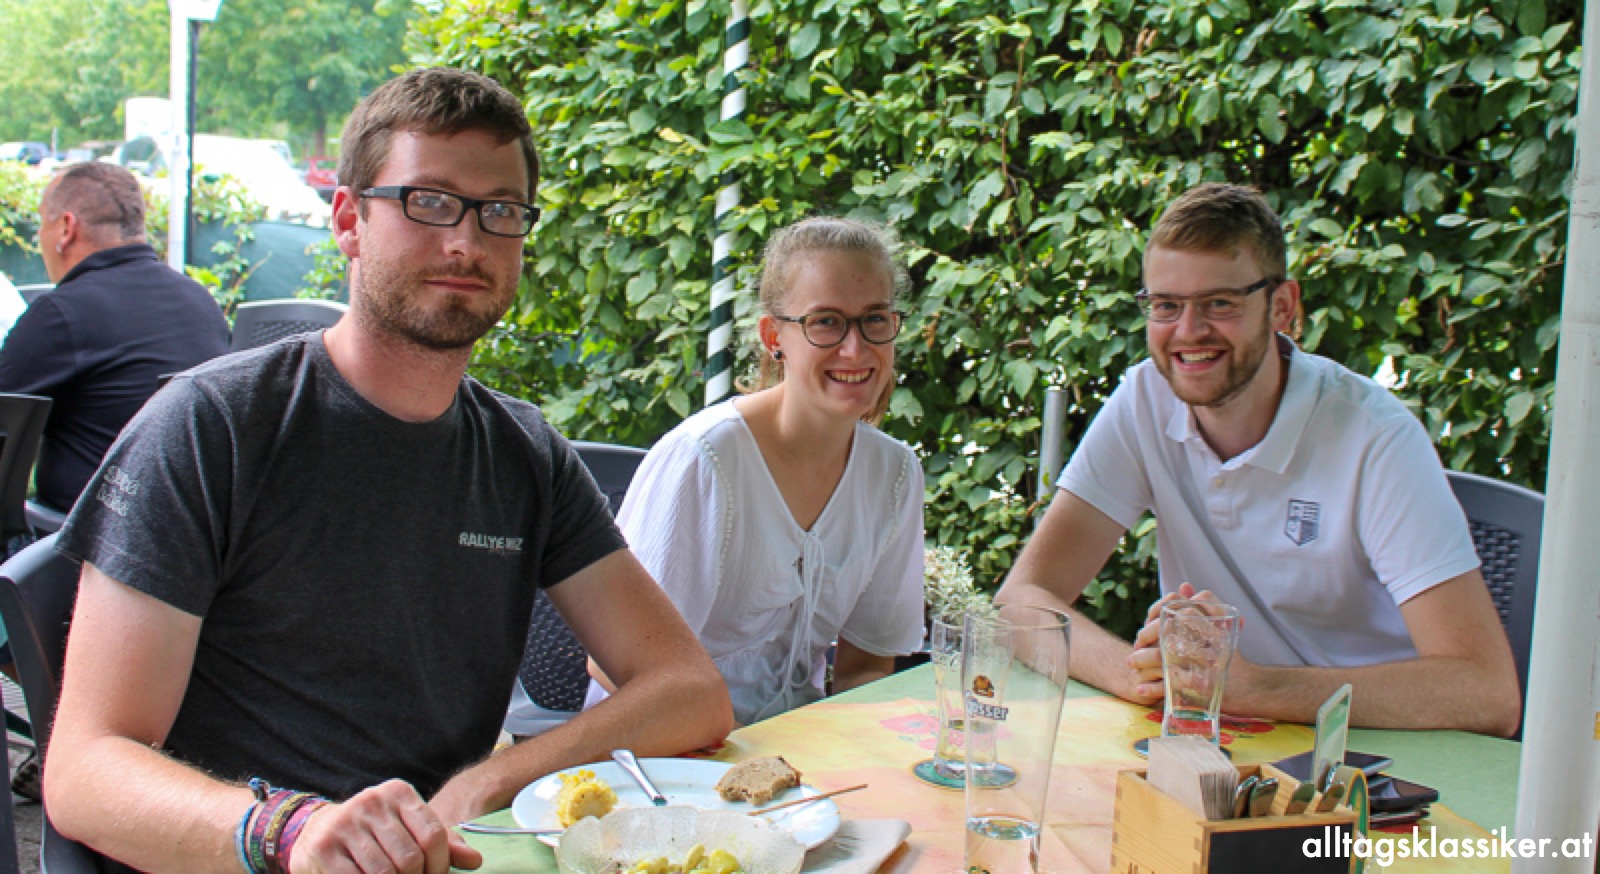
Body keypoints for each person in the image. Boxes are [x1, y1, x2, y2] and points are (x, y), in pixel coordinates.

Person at [44, 67, 732, 874]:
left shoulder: (523, 453)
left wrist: (491, 780)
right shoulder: (213, 426)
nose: (466, 242)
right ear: (349, 221)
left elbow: (688, 689)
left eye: (500, 211)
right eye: (428, 201)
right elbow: (84, 771)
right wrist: (293, 833)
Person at [996, 183, 1521, 738]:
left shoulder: (1375, 437)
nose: (1188, 332)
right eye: (1166, 306)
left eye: (1219, 303)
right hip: (1233, 746)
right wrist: (1138, 675)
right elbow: (1020, 602)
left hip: (1377, 755)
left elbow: (1486, 692)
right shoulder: (1145, 400)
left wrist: (1252, 689)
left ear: (1282, 307)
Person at [584, 217, 926, 725]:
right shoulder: (705, 459)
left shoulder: (894, 474)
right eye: (825, 322)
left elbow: (866, 668)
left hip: (797, 750)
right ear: (774, 337)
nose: (855, 349)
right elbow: (616, 669)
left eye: (874, 319)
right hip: (660, 745)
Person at [0, 161, 231, 518]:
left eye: (42, 224)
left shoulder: (63, 313)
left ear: (66, 228)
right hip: (191, 533)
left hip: (81, 537)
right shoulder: (200, 302)